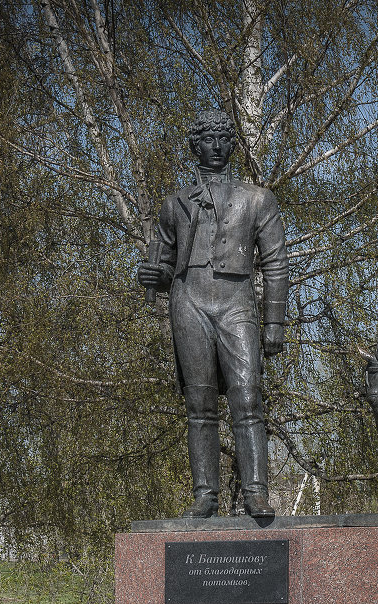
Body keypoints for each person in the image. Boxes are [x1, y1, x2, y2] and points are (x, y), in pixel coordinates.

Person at [138, 109, 288, 519]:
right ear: (195, 146)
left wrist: (274, 322)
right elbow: (166, 265)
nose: (217, 146)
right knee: (199, 402)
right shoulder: (173, 204)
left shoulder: (258, 199)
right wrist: (155, 272)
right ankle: (205, 494)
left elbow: (275, 263)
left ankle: (256, 491)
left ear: (232, 145)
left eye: (224, 138)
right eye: (208, 139)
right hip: (189, 302)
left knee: (247, 395)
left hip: (235, 300)